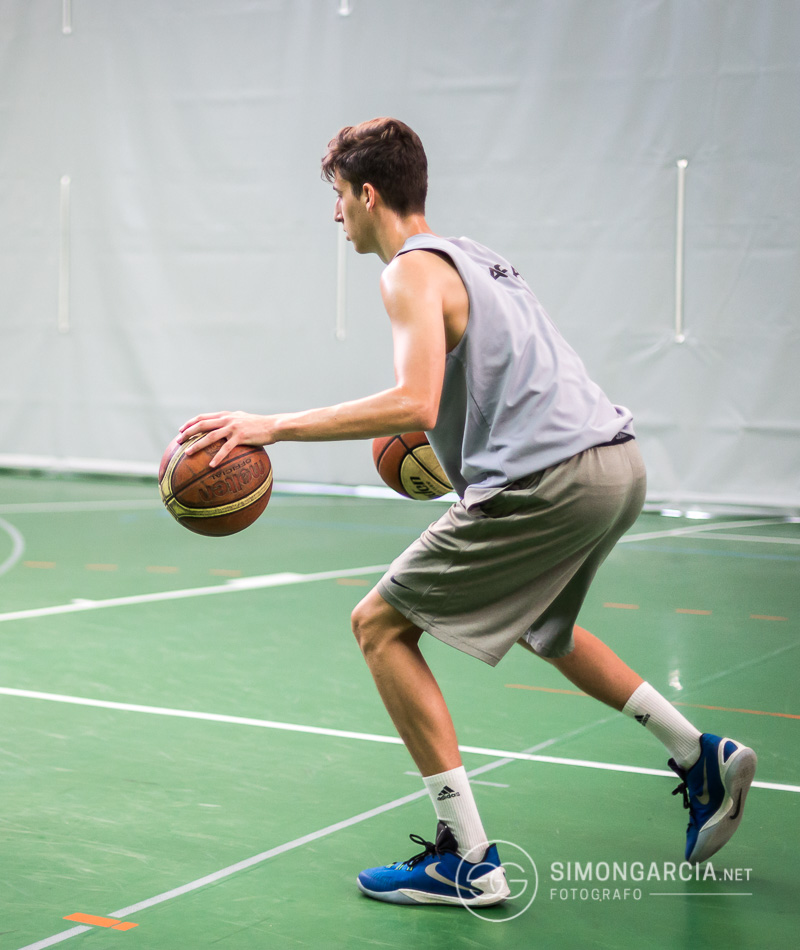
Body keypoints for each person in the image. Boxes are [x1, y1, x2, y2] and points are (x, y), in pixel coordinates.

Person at [180, 117, 756, 908]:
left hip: (551, 478)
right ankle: (698, 756)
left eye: (339, 195)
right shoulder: (477, 257)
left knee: (379, 626)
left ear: (368, 194)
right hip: (615, 463)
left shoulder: (407, 274)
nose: (335, 213)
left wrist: (270, 425)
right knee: (546, 629)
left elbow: (414, 402)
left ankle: (469, 858)